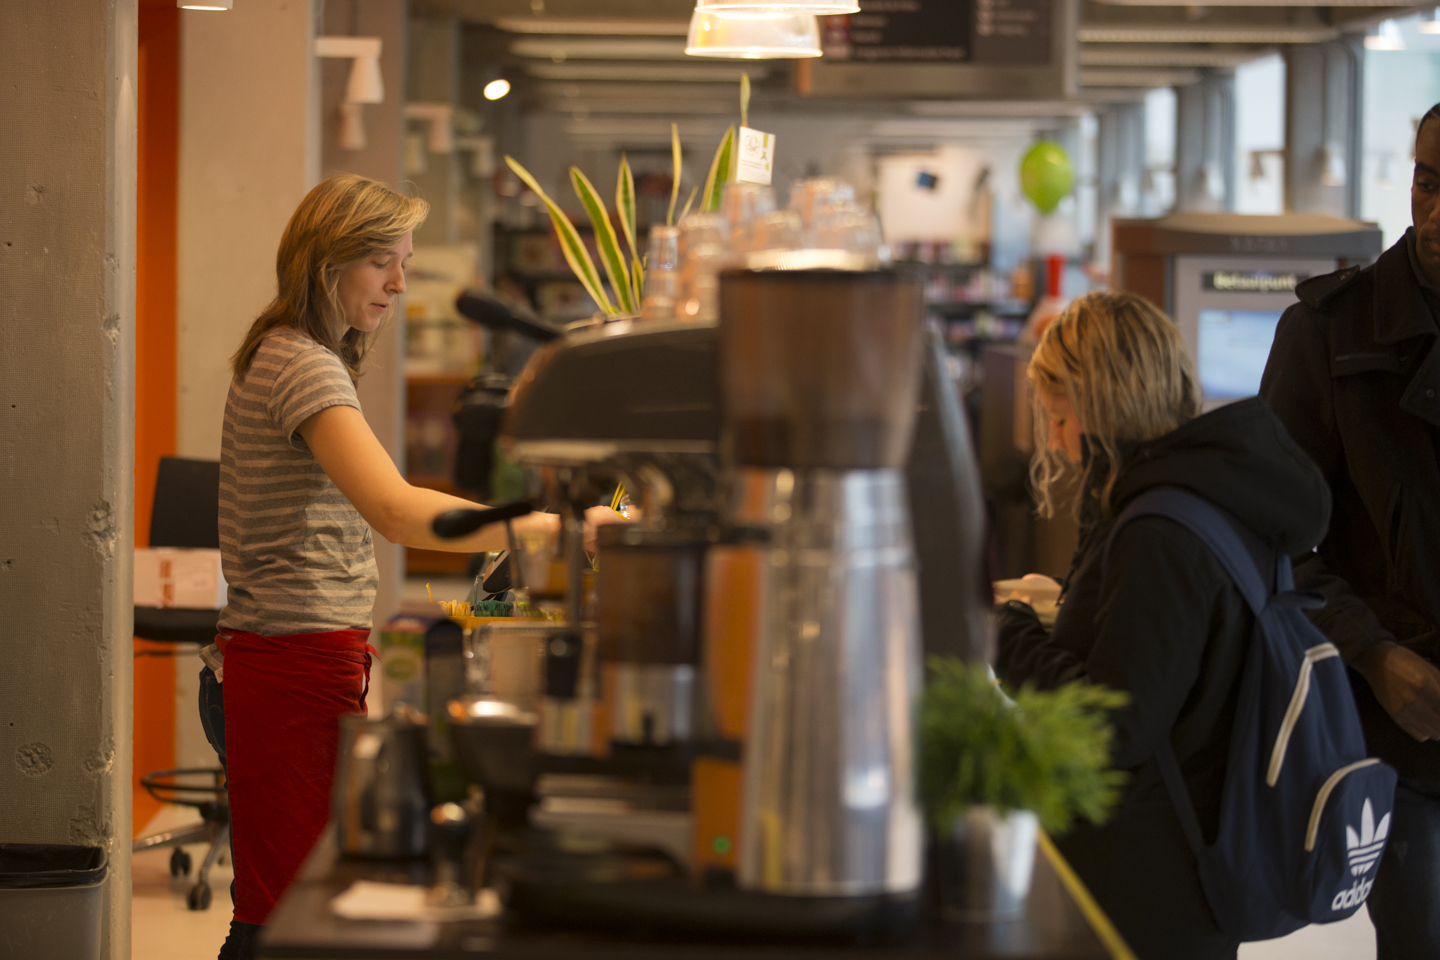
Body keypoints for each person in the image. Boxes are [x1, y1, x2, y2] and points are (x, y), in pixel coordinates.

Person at [196, 173, 614, 960]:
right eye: (381, 262)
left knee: (275, 905)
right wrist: (545, 532)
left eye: (406, 262)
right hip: (289, 662)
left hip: (281, 656)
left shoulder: (285, 351)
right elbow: (393, 511)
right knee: (283, 921)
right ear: (327, 264)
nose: (398, 284)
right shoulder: (304, 365)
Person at [994, 291, 1330, 960]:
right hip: (1197, 846)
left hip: (1147, 881)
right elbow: (1171, 650)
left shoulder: (1159, 530)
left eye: (1059, 417)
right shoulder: (1217, 491)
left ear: (1101, 405)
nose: (1056, 443)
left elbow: (1114, 725)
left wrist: (1008, 635)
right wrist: (1067, 605)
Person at [1258, 104, 1440, 959]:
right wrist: (1374, 652)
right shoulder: (1330, 331)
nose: (1435, 216)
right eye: (1427, 184)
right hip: (1400, 730)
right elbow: (1273, 536)